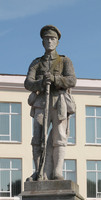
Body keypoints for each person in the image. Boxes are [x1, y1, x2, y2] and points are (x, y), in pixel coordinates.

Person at [24, 25, 76, 181]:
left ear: (57, 42)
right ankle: (39, 172)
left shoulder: (64, 61)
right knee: (37, 138)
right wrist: (41, 82)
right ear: (42, 42)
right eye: (46, 39)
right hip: (41, 103)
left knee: (59, 137)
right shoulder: (36, 63)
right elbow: (28, 83)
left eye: (52, 39)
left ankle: (57, 172)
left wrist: (55, 79)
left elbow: (72, 80)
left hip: (59, 102)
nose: (49, 41)